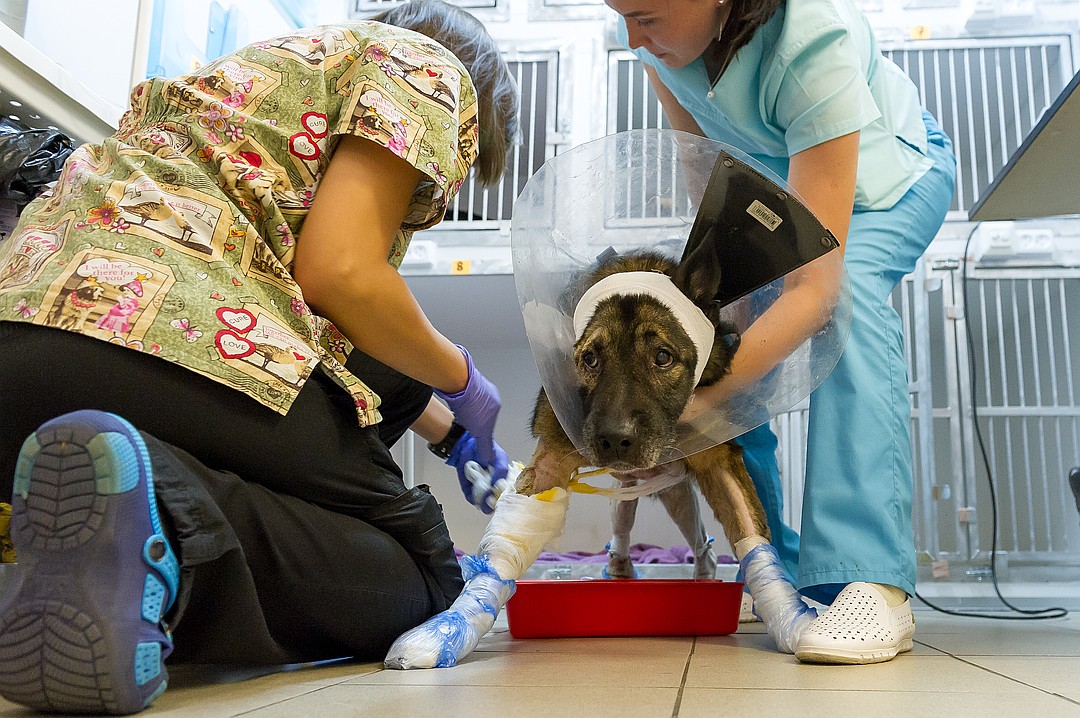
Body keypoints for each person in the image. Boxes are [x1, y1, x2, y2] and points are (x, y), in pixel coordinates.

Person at [0, 1, 519, 713]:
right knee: (423, 575)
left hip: (23, 341)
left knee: (330, 447)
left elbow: (337, 336)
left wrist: (454, 431)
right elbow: (341, 277)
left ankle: (107, 526)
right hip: (171, 327)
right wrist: (467, 379)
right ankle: (161, 535)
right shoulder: (426, 65)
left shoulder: (253, 82)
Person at [607, 0, 957, 663]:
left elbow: (816, 292)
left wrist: (698, 410)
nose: (629, 35)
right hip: (774, 191)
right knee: (718, 347)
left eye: (644, 15)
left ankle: (870, 579)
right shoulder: (651, 35)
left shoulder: (809, 37)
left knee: (844, 305)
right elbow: (700, 166)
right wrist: (714, 305)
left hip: (888, 181)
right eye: (620, 13)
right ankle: (770, 562)